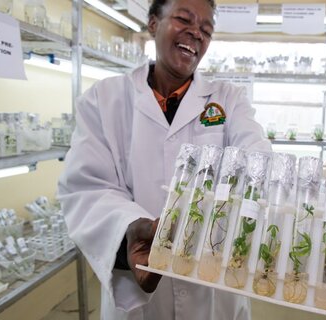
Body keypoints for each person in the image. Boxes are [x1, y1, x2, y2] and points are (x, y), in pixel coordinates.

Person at [57, 0, 271, 318]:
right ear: (154, 24)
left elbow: (256, 151)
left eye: (206, 29)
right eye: (184, 19)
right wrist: (128, 228)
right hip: (140, 295)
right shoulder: (104, 99)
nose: (196, 33)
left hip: (211, 292)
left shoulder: (228, 99)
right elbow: (85, 187)